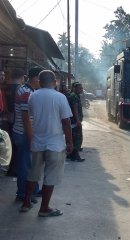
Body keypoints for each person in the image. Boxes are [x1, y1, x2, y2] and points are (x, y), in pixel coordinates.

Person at [20, 70, 73, 217]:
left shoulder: (32, 96)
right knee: (50, 176)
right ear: (54, 82)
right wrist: (70, 142)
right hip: (55, 144)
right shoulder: (60, 97)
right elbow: (66, 122)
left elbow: (30, 117)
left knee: (33, 174)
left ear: (40, 81)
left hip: (38, 142)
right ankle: (44, 209)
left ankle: (26, 203)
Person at [12, 67, 42, 202]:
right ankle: (23, 194)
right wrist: (31, 138)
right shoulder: (26, 92)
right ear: (35, 78)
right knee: (25, 165)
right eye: (40, 78)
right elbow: (25, 119)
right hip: (24, 133)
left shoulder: (29, 90)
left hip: (24, 132)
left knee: (29, 164)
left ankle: (33, 190)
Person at [68, 82, 85, 161]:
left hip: (73, 121)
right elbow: (75, 108)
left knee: (73, 137)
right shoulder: (74, 96)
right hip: (74, 121)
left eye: (81, 88)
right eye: (79, 88)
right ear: (74, 88)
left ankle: (71, 155)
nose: (81, 89)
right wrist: (78, 120)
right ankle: (76, 155)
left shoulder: (74, 95)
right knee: (77, 138)